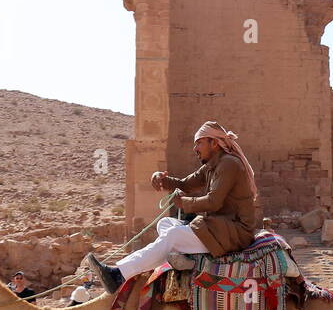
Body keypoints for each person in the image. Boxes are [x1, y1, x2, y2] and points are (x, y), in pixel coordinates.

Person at [86, 121, 260, 293]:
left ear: (214, 143)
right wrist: (160, 179)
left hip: (235, 232)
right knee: (165, 224)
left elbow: (214, 202)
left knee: (174, 235)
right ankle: (187, 257)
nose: (195, 148)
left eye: (199, 142)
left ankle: (119, 275)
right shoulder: (211, 166)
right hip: (220, 228)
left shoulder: (228, 163)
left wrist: (184, 203)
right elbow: (185, 184)